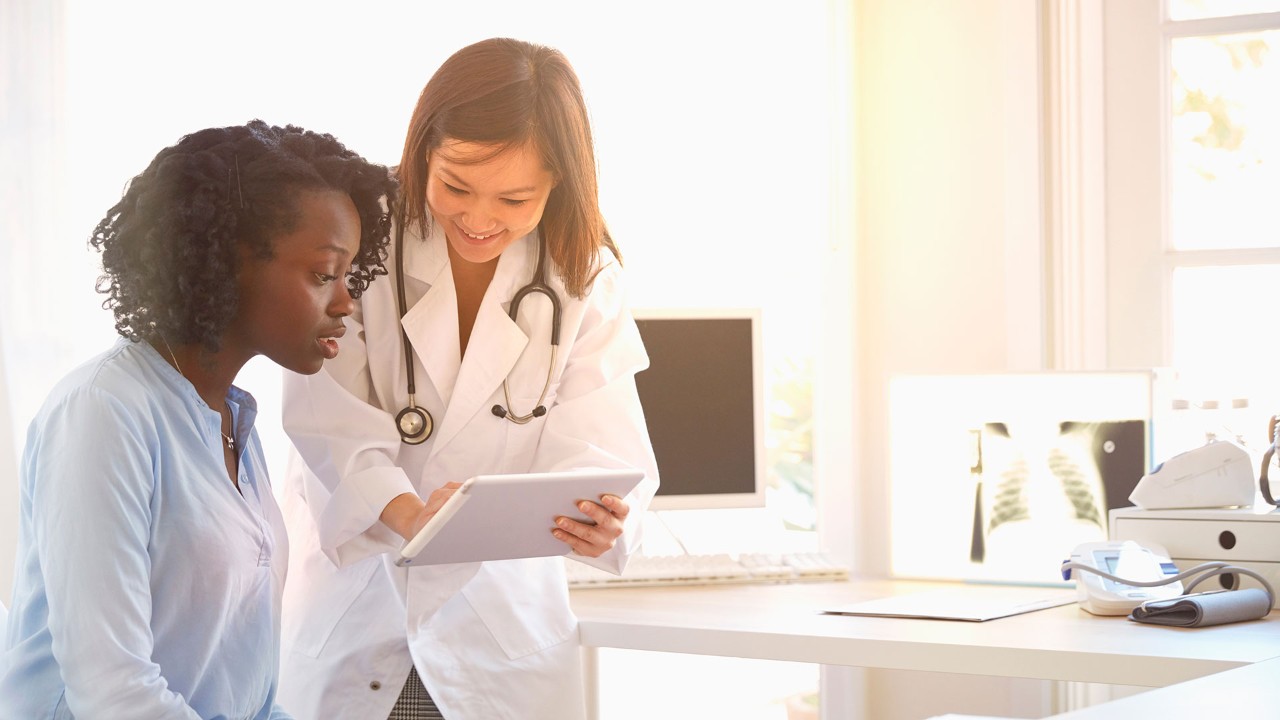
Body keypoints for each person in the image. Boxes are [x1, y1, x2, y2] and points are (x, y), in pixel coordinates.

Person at [277, 38, 659, 719]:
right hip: (362, 611)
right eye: (456, 185)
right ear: (424, 147)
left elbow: (602, 448)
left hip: (500, 631)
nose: (480, 219)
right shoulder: (357, 237)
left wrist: (600, 520)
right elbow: (323, 421)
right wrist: (413, 516)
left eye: (515, 198)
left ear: (559, 184)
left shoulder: (582, 274)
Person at [0, 120, 398, 719]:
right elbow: (112, 691)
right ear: (228, 261)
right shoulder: (103, 413)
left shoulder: (231, 421)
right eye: (323, 274)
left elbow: (248, 696)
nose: (345, 302)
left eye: (349, 277)